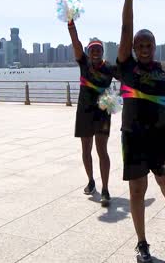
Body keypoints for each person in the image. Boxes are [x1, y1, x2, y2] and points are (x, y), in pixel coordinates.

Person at [118, 0, 165, 262]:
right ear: (134, 48)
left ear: (155, 46)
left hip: (160, 136)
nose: (144, 49)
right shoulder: (127, 67)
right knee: (137, 189)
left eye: (149, 45)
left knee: (164, 181)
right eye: (140, 45)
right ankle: (142, 242)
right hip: (132, 137)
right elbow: (125, 29)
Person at [67, 18, 117, 206]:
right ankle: (91, 181)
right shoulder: (84, 64)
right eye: (92, 49)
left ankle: (105, 188)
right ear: (88, 52)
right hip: (84, 112)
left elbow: (128, 78)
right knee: (85, 149)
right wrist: (71, 25)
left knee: (101, 150)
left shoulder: (109, 68)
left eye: (98, 49)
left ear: (102, 51)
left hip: (102, 113)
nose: (95, 52)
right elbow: (76, 43)